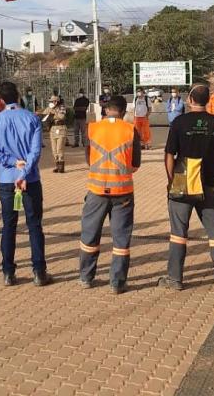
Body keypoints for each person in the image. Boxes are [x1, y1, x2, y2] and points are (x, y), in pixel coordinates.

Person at [157, 85, 214, 290]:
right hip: (208, 183)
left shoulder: (179, 122)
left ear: (190, 99)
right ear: (208, 100)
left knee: (178, 233)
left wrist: (170, 180)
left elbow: (169, 155)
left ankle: (175, 279)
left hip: (182, 184)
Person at [0, 81, 51, 287]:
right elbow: (35, 151)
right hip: (29, 180)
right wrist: (23, 171)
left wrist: (13, 164)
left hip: (6, 180)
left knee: (9, 226)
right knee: (34, 226)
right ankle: (39, 272)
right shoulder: (31, 118)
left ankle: (8, 272)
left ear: (0, 98)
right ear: (19, 94)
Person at [78, 95, 141, 294]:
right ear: (124, 112)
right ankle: (117, 283)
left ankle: (86, 277)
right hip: (122, 192)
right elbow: (135, 163)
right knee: (121, 239)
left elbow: (89, 159)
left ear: (105, 110)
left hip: (96, 191)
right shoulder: (131, 130)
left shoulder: (93, 128)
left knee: (90, 234)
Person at [42, 95, 67, 173]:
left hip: (61, 129)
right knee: (54, 150)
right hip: (53, 130)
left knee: (60, 149)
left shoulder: (62, 107)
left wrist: (52, 114)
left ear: (57, 101)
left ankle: (61, 167)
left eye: (54, 101)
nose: (52, 102)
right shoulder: (49, 108)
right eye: (51, 101)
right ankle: (57, 165)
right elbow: (43, 116)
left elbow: (61, 116)